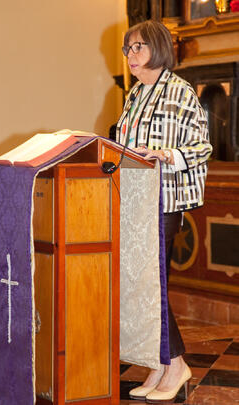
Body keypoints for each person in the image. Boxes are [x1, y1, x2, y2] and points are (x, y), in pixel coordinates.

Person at [116, 20, 212, 403]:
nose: (130, 56)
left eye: (136, 47)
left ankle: (174, 364)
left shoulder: (180, 91)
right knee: (142, 287)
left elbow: (201, 147)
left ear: (157, 48)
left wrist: (165, 155)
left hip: (164, 200)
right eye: (127, 49)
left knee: (153, 286)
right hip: (133, 199)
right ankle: (160, 363)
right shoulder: (135, 95)